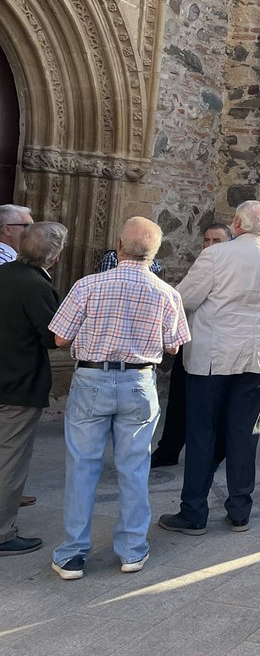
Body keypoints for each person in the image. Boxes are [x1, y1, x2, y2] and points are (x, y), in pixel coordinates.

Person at [50, 217, 190, 579]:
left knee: (82, 467)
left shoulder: (87, 285)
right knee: (134, 467)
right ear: (154, 253)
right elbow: (174, 345)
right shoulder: (167, 293)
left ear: (119, 245)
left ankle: (72, 555)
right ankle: (131, 550)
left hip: (92, 377)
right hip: (139, 382)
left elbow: (60, 339)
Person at [158, 200, 260, 535]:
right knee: (245, 433)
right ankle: (239, 510)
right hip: (258, 354)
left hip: (213, 356)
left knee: (202, 433)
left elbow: (184, 299)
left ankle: (193, 511)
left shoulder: (216, 255)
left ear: (237, 223)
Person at [0, 222, 66, 556]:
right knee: (10, 461)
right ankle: (2, 532)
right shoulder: (36, 285)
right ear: (54, 257)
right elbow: (52, 337)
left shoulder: (5, 274)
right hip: (18, 382)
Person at [150, 222, 233, 466]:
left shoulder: (226, 267)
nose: (208, 245)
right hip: (191, 342)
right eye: (206, 240)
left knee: (215, 404)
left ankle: (215, 452)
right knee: (179, 399)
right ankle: (169, 449)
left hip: (217, 346)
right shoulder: (204, 264)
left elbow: (183, 298)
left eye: (216, 241)